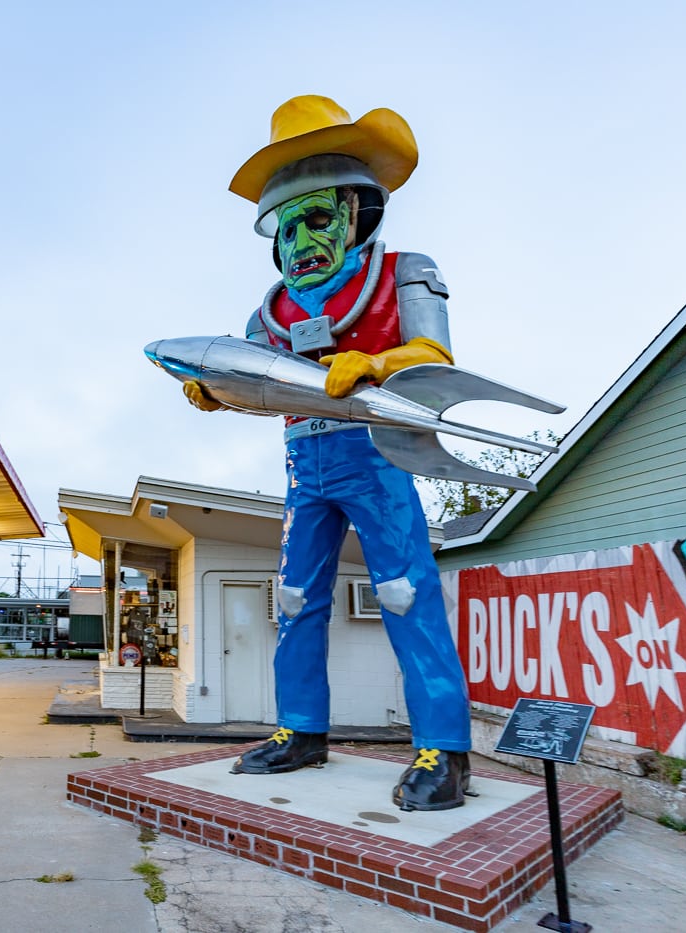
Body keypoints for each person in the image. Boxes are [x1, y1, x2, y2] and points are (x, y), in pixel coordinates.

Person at [184, 95, 473, 811]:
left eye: (316, 217)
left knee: (405, 594)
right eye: (286, 226)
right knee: (294, 598)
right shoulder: (268, 314)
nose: (300, 240)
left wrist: (380, 363)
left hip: (376, 453)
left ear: (353, 211)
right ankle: (301, 729)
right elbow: (248, 382)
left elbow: (435, 354)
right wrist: (213, 393)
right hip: (302, 462)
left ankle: (445, 746)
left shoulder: (404, 271)